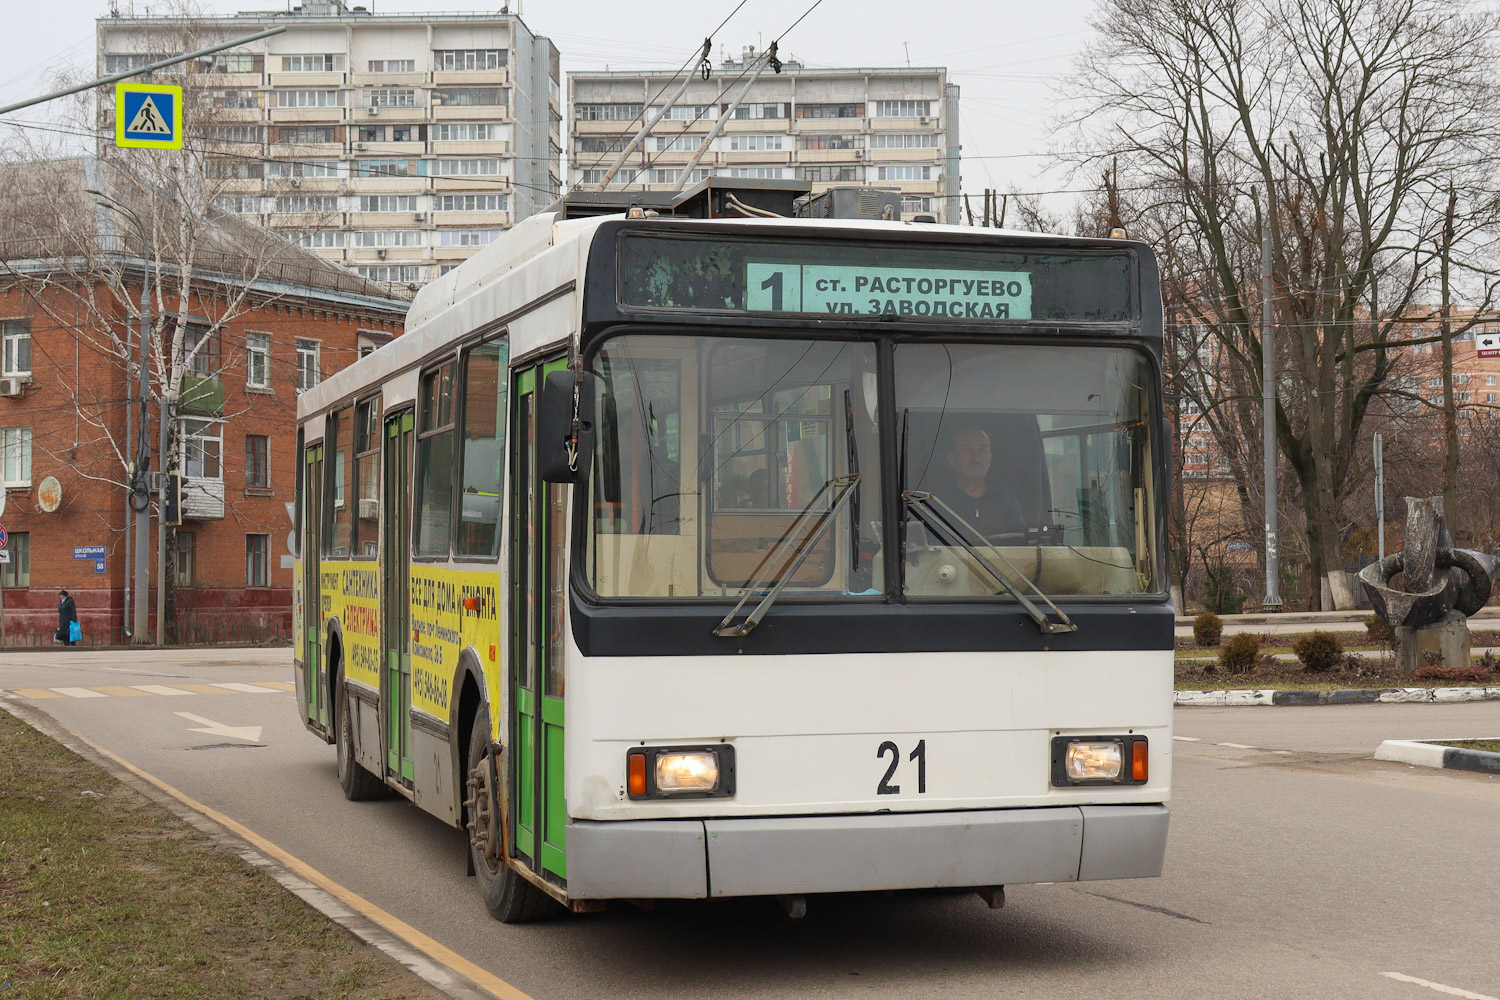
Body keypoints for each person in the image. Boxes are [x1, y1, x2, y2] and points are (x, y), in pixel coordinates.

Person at [940, 427, 1027, 537]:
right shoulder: (937, 503)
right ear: (951, 459)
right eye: (967, 450)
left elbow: (1020, 544)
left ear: (990, 459)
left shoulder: (1006, 500)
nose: (975, 456)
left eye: (981, 450)